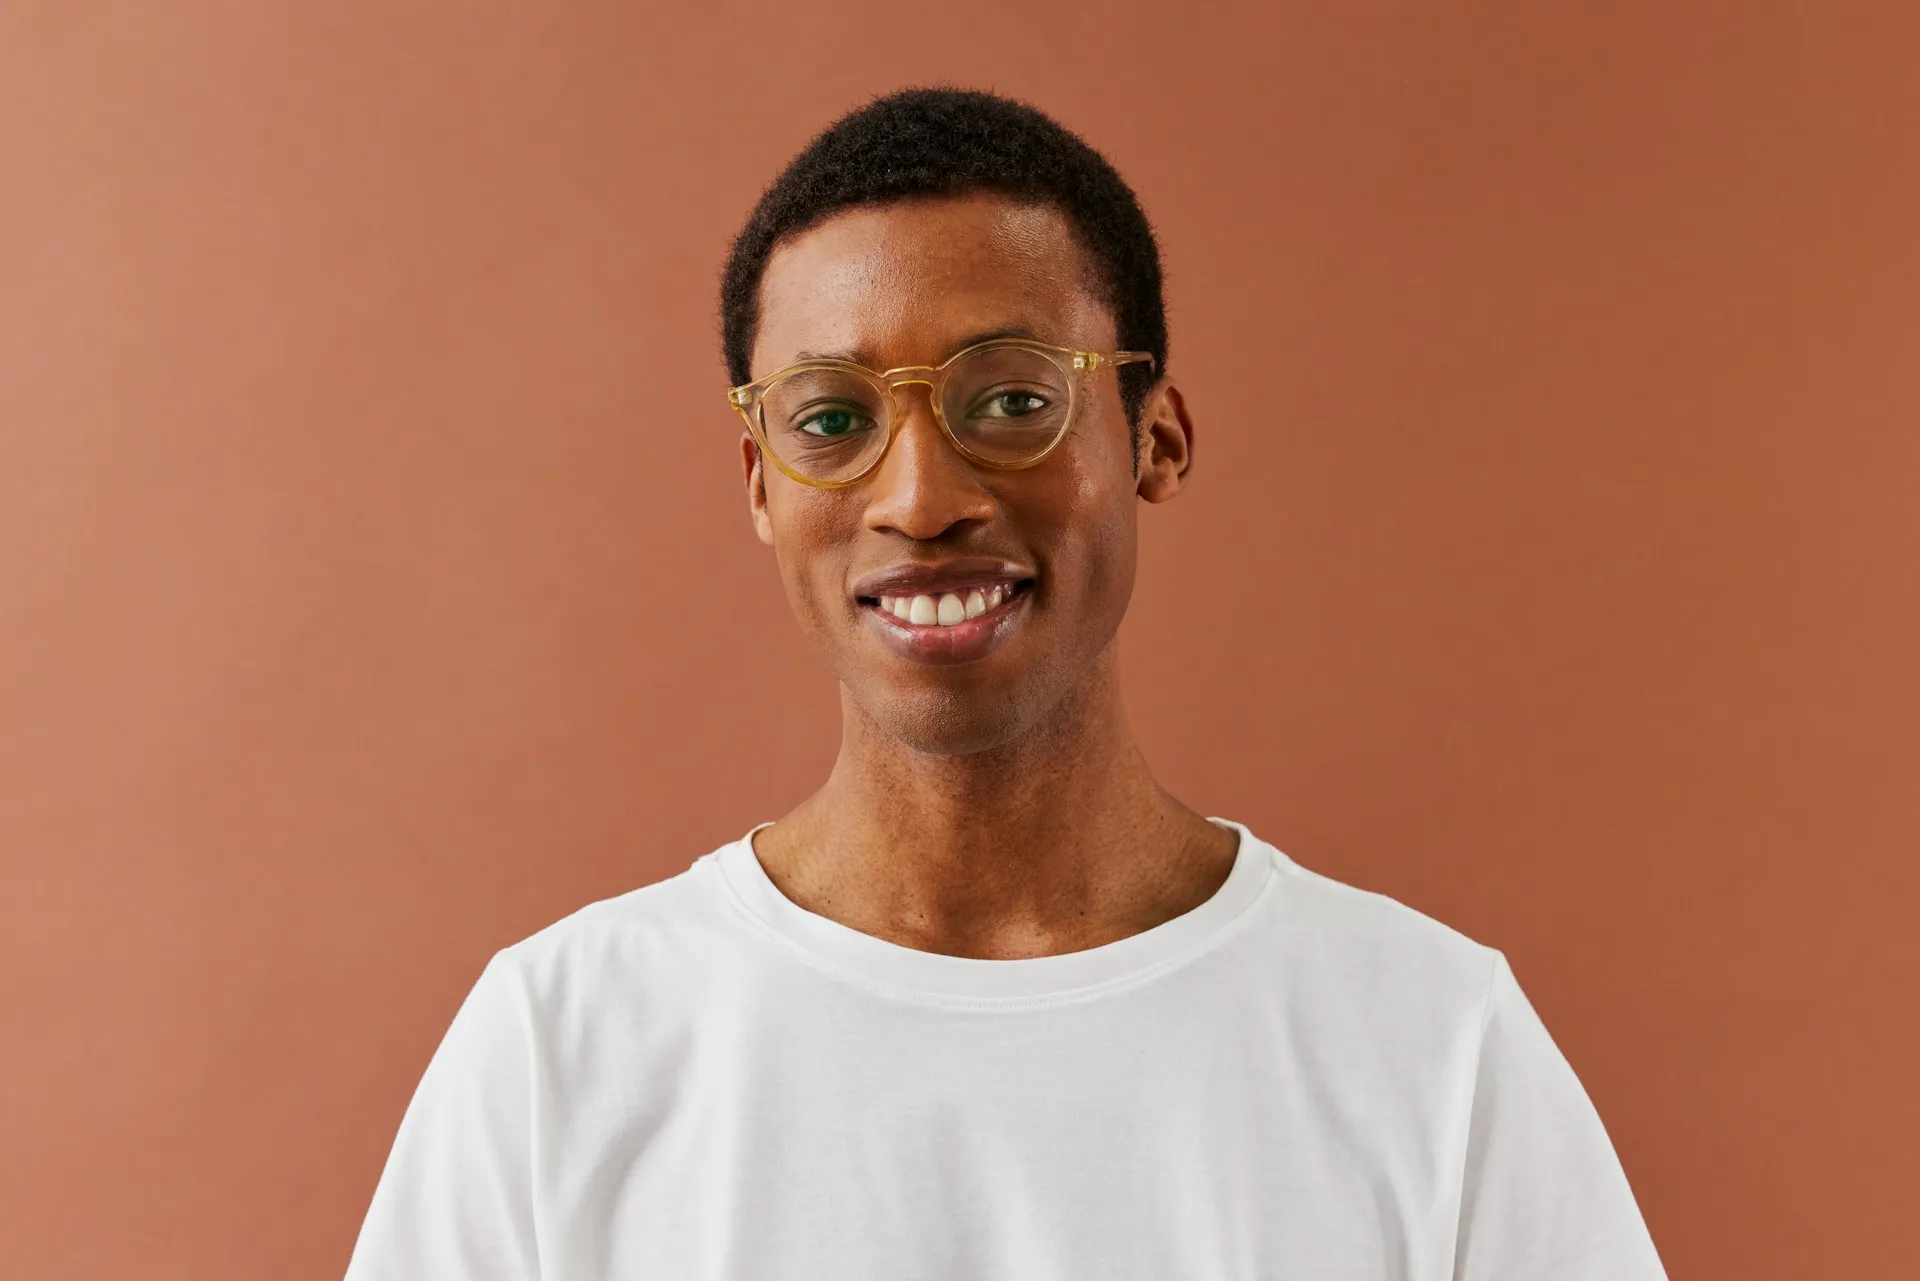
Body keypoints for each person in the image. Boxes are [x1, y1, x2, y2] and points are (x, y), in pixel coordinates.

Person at [344, 87, 1666, 1280]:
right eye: (831, 421)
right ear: (760, 485)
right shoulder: (562, 1051)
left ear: (1155, 438)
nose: (920, 499)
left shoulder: (1433, 1048)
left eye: (1012, 400)